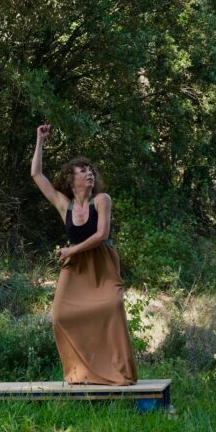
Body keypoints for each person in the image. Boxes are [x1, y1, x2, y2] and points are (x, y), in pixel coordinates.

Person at [30, 124, 138, 386]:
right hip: (75, 267)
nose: (89, 173)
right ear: (71, 179)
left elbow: (101, 235)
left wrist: (72, 249)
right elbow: (36, 174)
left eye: (91, 170)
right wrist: (40, 141)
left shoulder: (102, 199)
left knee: (112, 308)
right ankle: (80, 372)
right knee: (61, 316)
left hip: (101, 262)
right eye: (82, 171)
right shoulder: (63, 204)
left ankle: (119, 372)